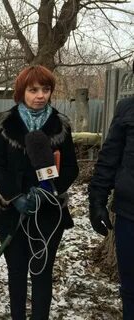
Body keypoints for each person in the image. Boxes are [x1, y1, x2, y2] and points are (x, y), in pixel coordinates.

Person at [0, 65, 79, 320]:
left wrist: (48, 192)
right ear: (22, 91)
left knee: (41, 272)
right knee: (16, 272)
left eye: (46, 89)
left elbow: (71, 167)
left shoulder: (60, 125)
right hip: (11, 214)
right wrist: (14, 197)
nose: (40, 95)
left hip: (49, 213)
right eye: (33, 90)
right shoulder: (6, 123)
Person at [88, 94, 134, 319]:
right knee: (130, 287)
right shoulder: (127, 108)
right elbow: (109, 157)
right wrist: (97, 200)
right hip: (129, 214)